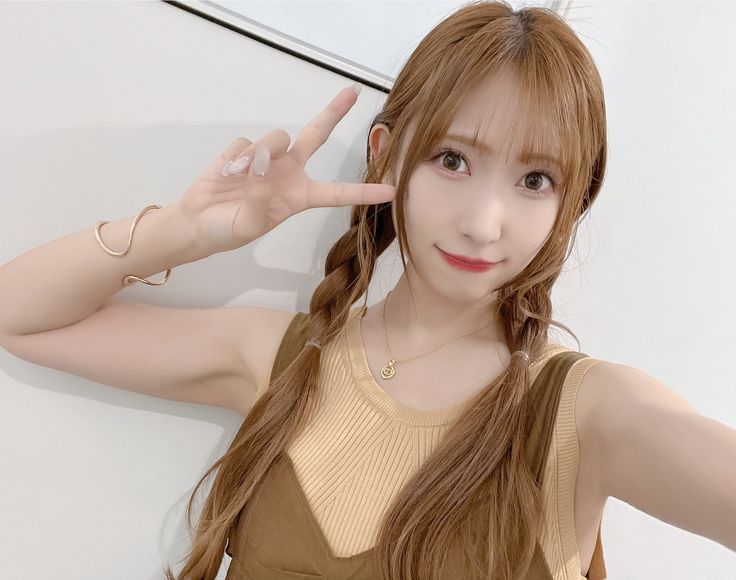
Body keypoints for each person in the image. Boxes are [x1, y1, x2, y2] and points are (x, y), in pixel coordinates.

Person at [0, 1, 733, 579]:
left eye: (534, 180)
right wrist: (186, 232)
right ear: (387, 152)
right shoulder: (282, 360)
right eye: (453, 160)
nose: (484, 223)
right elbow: (20, 317)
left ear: (570, 201)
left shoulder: (586, 415)